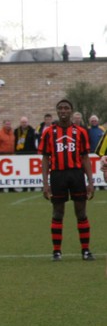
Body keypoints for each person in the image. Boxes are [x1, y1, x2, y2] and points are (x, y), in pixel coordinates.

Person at [39, 98, 94, 262]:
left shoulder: (80, 132)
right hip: (57, 175)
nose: (63, 111)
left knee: (81, 213)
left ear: (71, 110)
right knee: (57, 213)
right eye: (60, 108)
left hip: (76, 175)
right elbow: (45, 159)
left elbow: (85, 158)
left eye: (66, 108)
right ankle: (57, 252)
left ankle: (85, 250)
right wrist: (45, 183)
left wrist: (91, 182)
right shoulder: (49, 132)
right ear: (57, 111)